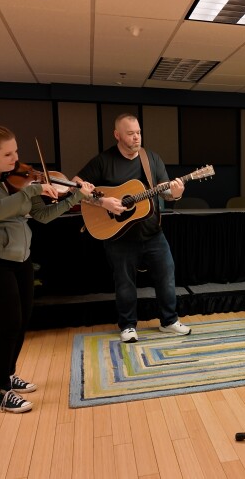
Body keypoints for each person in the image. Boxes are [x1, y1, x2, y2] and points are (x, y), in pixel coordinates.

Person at [0, 123, 95, 413]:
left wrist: (75, 197)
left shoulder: (9, 182)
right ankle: (1, 393)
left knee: (20, 325)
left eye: (16, 151)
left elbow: (43, 216)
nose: (15, 159)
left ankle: (9, 375)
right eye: (8, 154)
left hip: (20, 262)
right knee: (7, 327)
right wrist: (32, 189)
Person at [73, 113, 191, 343]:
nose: (136, 137)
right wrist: (103, 201)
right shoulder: (103, 161)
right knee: (125, 283)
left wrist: (175, 192)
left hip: (153, 233)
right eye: (130, 133)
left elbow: (165, 191)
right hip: (119, 236)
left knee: (167, 275)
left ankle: (169, 321)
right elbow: (76, 185)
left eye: (138, 132)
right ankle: (127, 326)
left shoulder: (151, 159)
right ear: (117, 135)